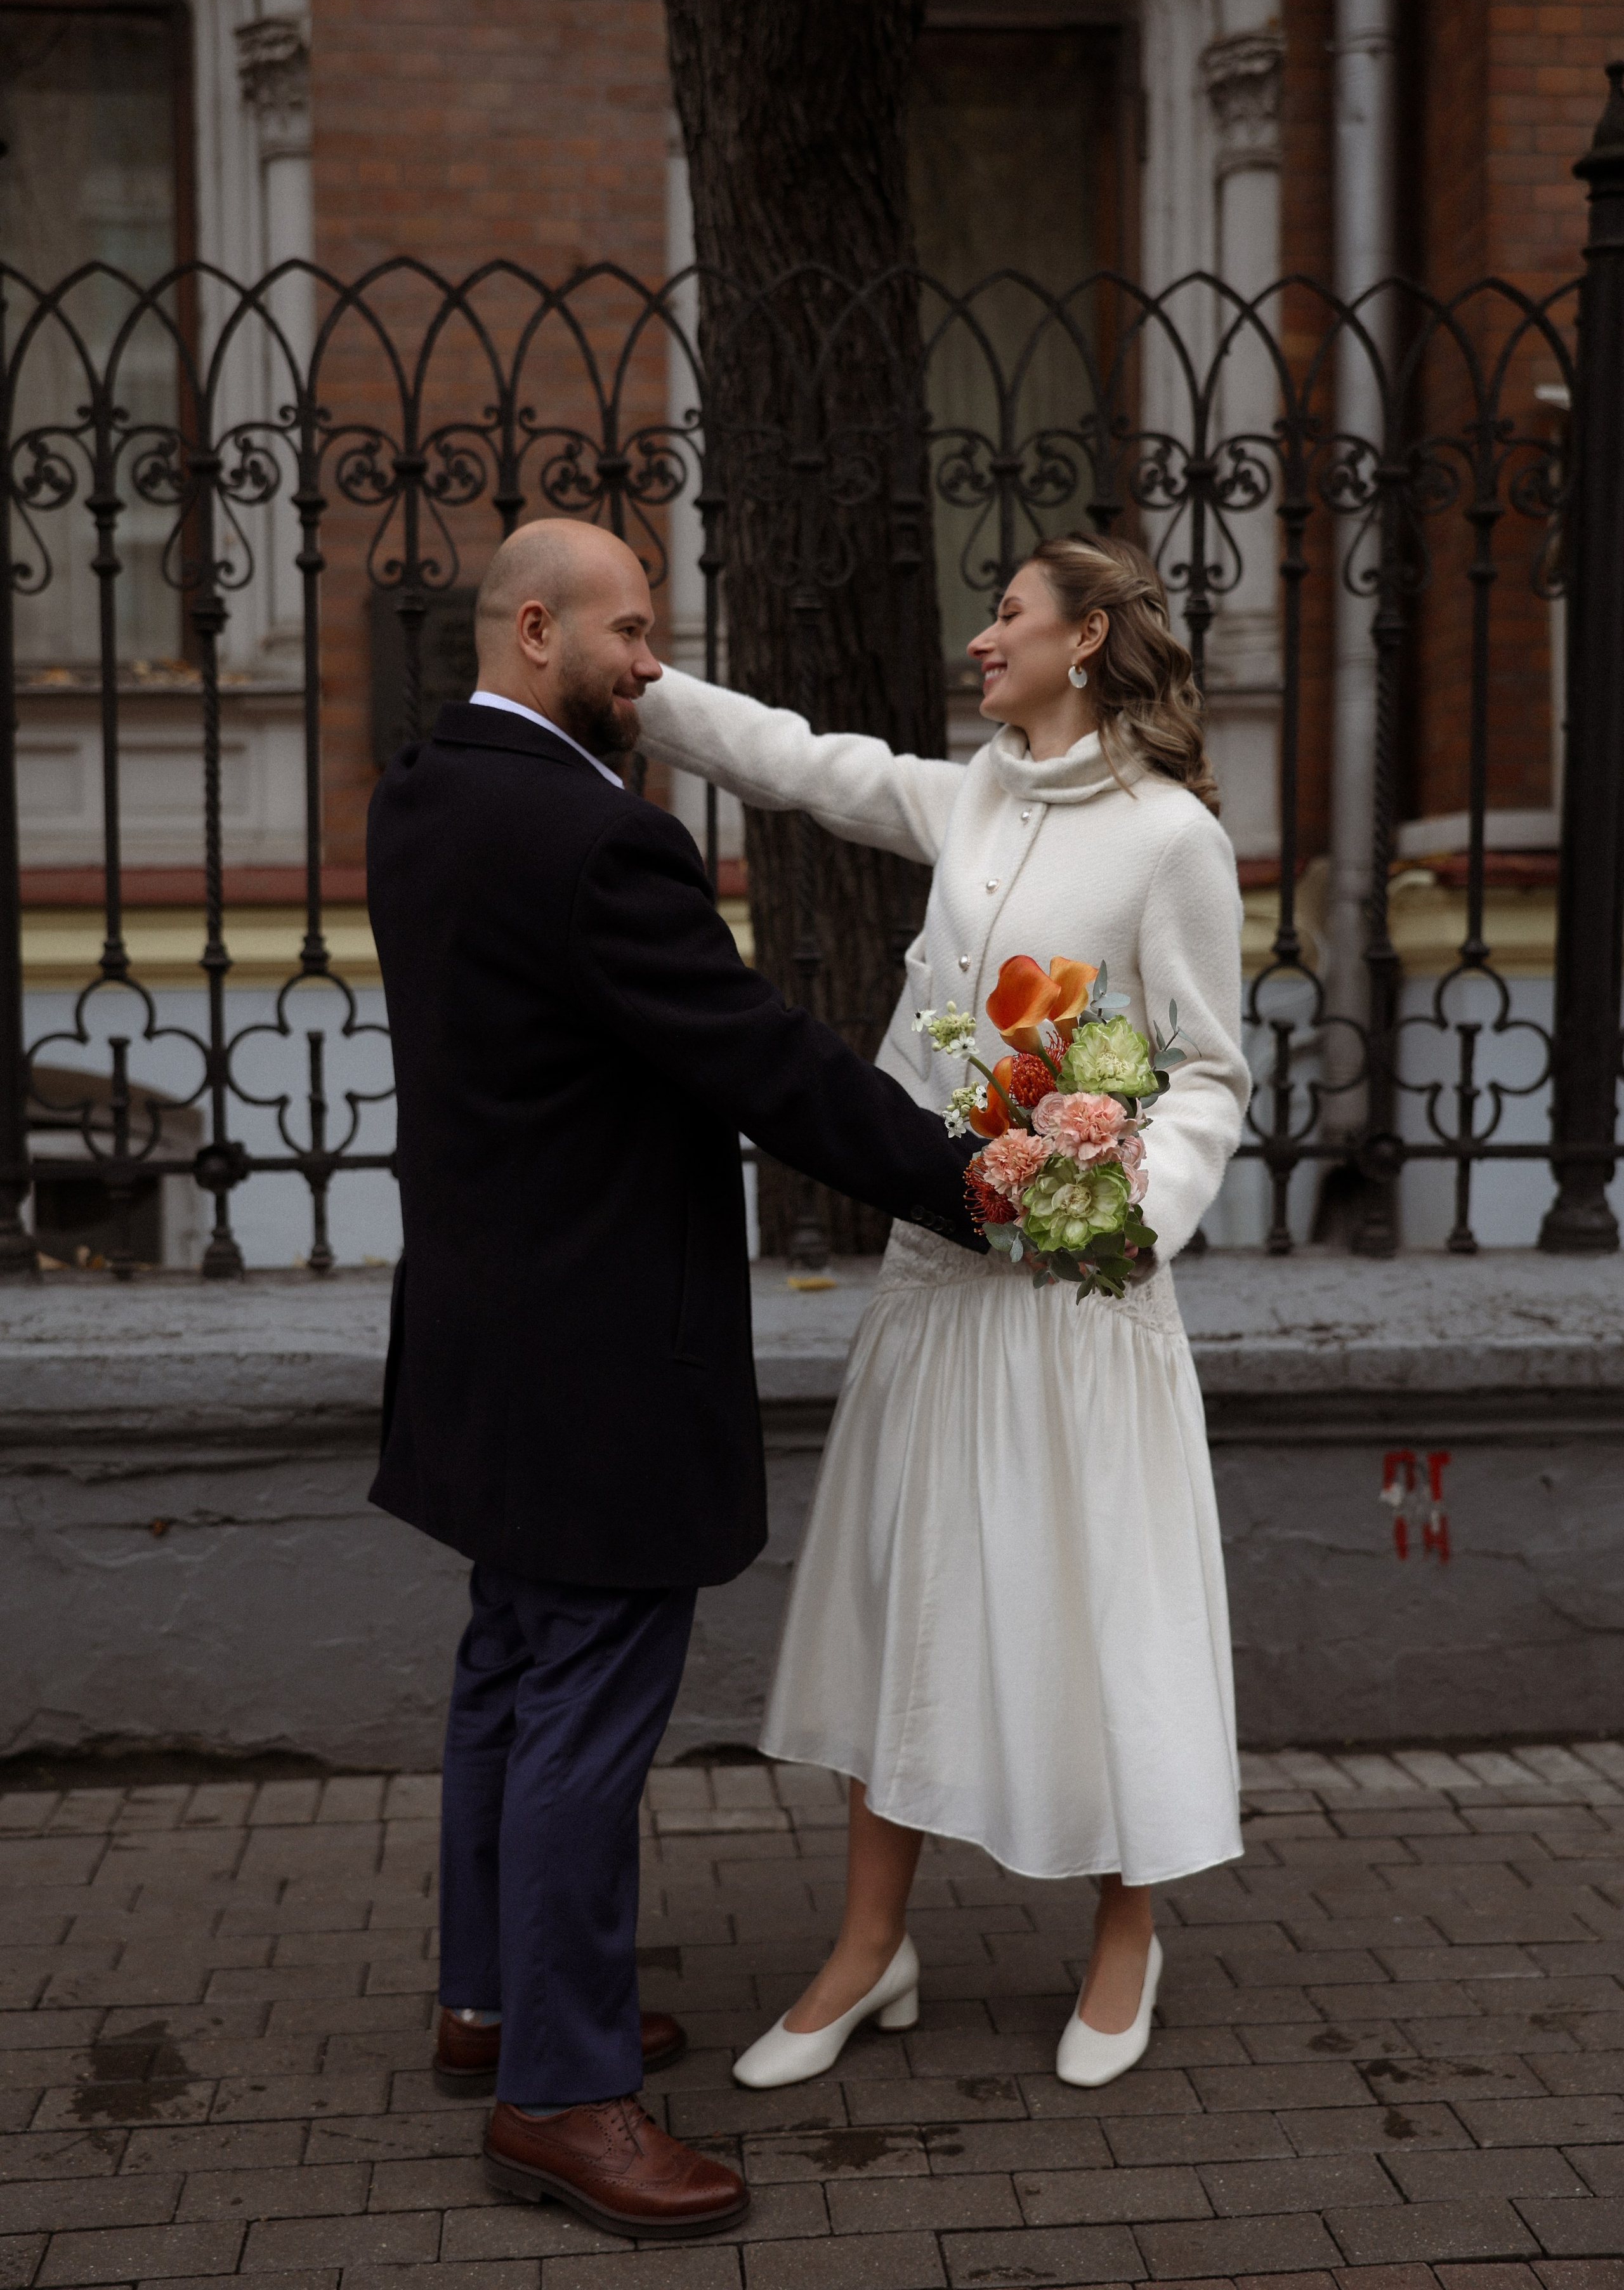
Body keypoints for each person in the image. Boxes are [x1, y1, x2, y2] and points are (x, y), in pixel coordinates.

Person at [366, 518, 985, 2237]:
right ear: (536, 625)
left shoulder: (421, 798)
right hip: (596, 1358)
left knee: (508, 1668)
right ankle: (563, 2096)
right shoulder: (598, 843)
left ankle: (490, 2002)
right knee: (580, 1707)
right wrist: (969, 1181)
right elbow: (762, 1062)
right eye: (632, 632)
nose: (654, 662)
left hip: (485, 1335)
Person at [634, 532, 1250, 2091]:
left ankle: (1127, 1934)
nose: (983, 641)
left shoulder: (1170, 837)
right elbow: (802, 765)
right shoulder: (971, 794)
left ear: (1086, 637)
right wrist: (644, 689)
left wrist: (1121, 1206)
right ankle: (868, 1945)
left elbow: (1207, 1073)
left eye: (1008, 616)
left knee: (1098, 1609)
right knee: (904, 1599)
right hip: (938, 1278)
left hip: (1075, 1300)